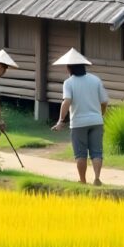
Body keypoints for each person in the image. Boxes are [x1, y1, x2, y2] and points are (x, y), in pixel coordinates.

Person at [51, 48, 109, 186]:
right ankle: (96, 178)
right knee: (96, 152)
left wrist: (60, 120)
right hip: (96, 121)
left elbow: (67, 102)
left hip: (78, 123)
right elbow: (104, 101)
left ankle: (83, 180)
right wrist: (101, 114)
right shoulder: (95, 80)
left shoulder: (69, 83)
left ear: (69, 68)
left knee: (80, 154)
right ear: (83, 66)